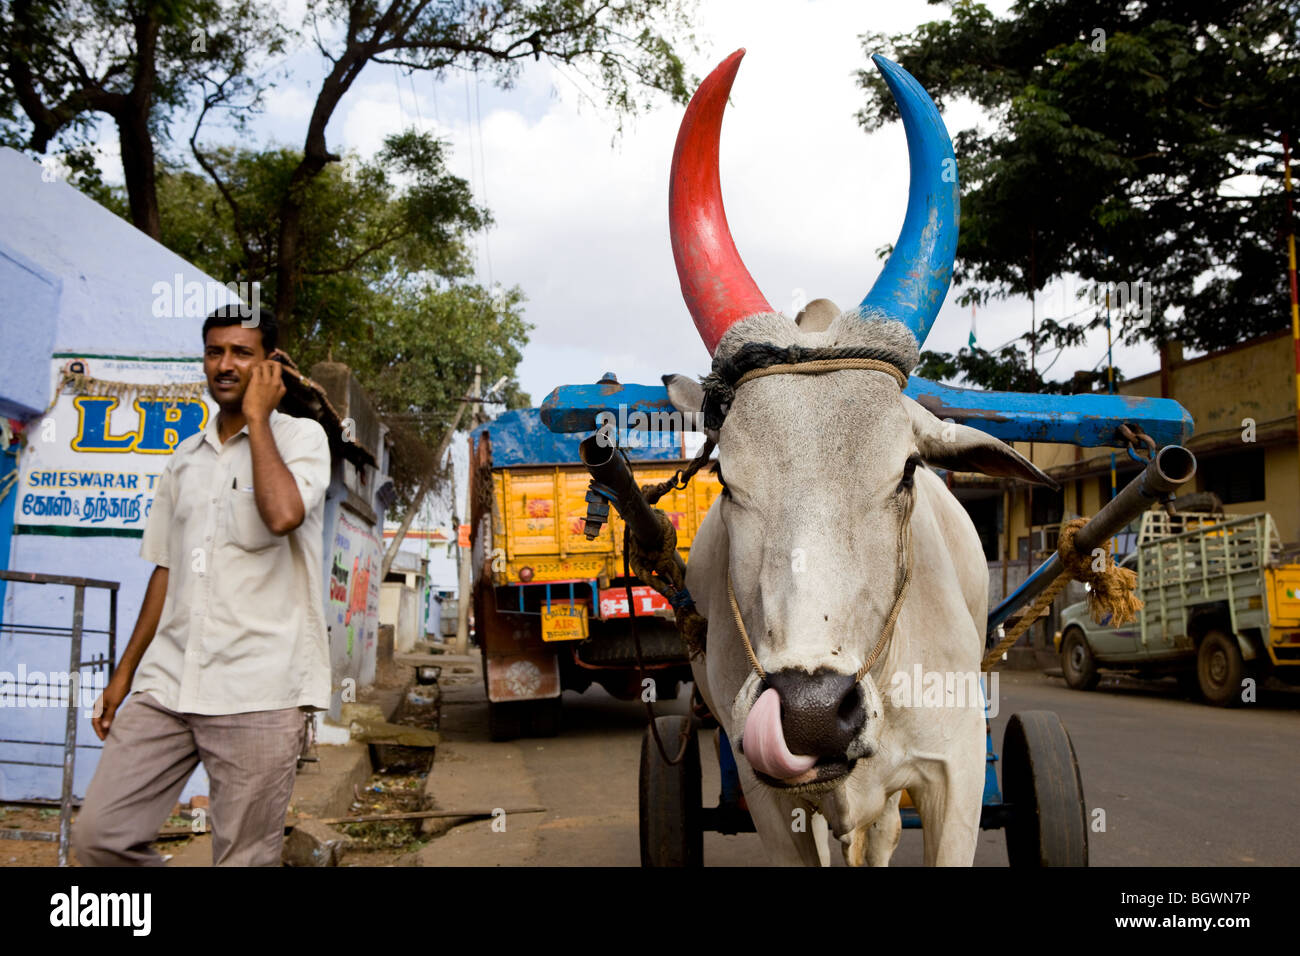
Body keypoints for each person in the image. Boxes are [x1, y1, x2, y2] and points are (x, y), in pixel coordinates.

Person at [72, 305, 332, 866]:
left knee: (242, 858)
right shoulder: (184, 460)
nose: (225, 364)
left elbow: (283, 514)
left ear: (271, 366)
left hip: (259, 690)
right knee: (98, 838)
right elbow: (165, 570)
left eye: (242, 352)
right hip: (168, 685)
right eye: (215, 351)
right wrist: (124, 676)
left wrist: (260, 420)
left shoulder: (303, 440)